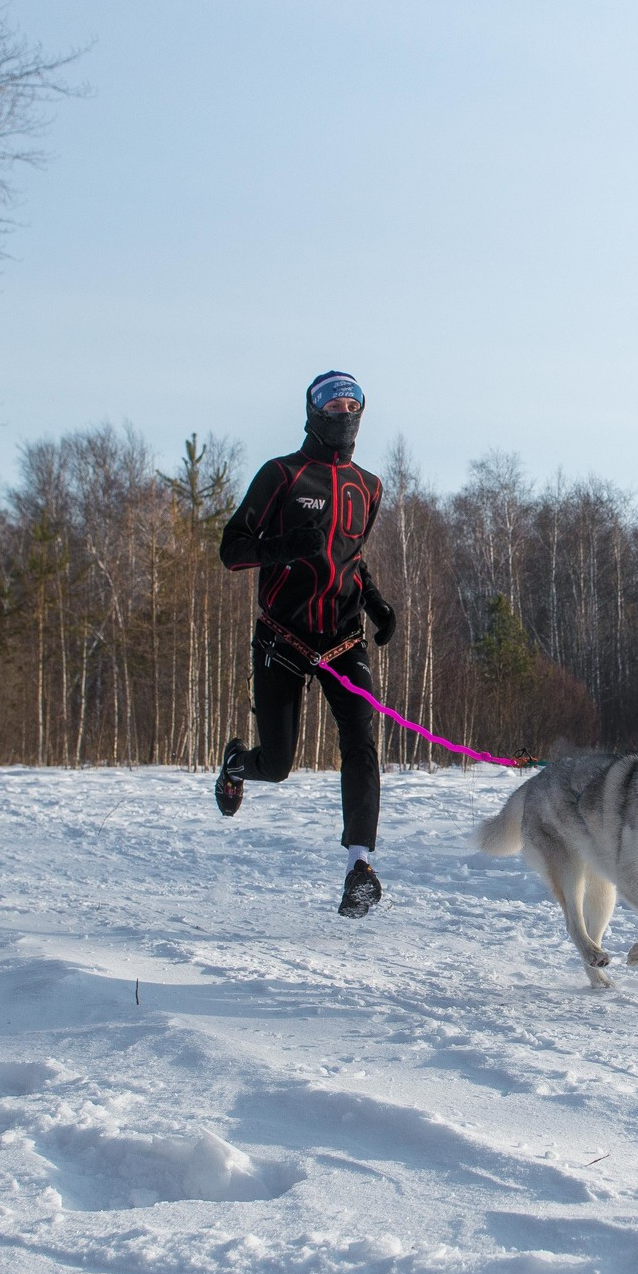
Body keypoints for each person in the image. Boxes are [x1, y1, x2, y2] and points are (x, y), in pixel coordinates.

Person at [213, 372, 398, 917]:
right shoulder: (281, 474)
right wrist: (283, 546)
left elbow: (352, 559)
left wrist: (376, 602)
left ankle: (359, 867)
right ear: (313, 410)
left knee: (361, 742)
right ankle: (234, 766)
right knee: (277, 764)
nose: (342, 411)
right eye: (331, 401)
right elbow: (232, 549)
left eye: (352, 402)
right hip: (282, 637)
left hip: (343, 639)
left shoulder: (369, 486)